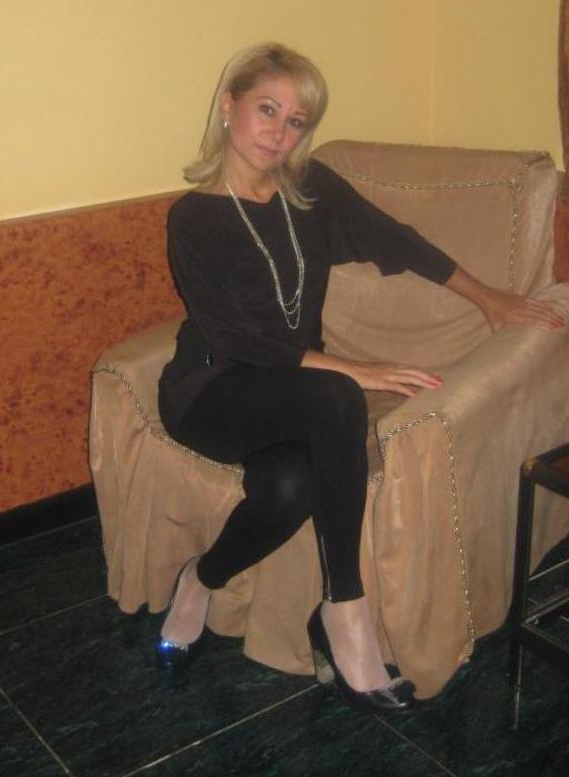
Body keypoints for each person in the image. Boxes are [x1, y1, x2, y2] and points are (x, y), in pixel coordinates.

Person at [156, 42, 564, 714]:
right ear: (229, 106)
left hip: (288, 391)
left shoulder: (311, 191)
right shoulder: (194, 216)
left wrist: (489, 298)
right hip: (211, 390)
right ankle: (345, 609)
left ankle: (198, 579)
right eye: (267, 110)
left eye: (296, 121)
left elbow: (394, 238)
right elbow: (235, 340)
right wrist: (355, 367)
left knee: (289, 488)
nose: (279, 133)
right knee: (338, 393)